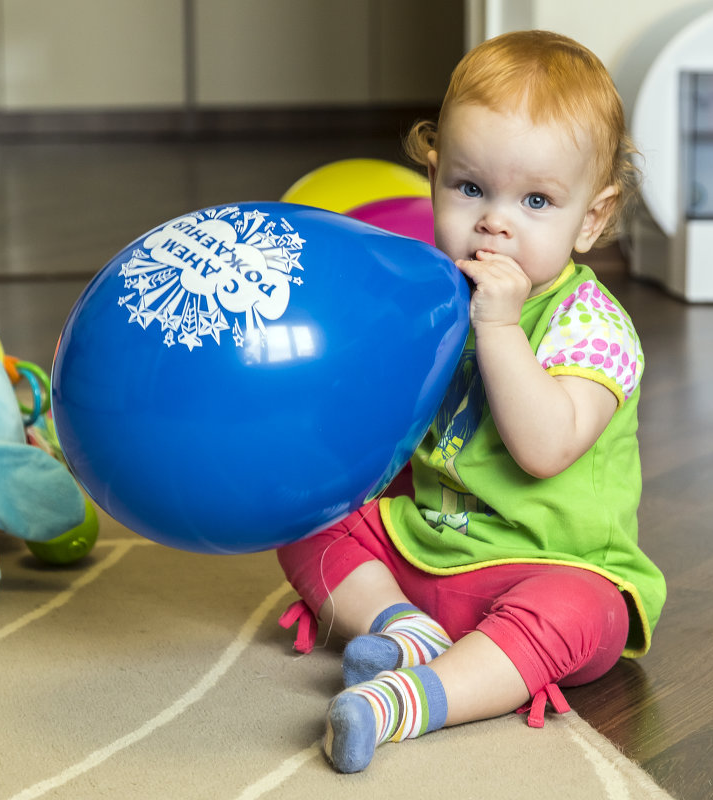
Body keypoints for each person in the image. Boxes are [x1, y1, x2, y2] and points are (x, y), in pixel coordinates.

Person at [277, 29, 667, 774]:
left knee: (591, 616)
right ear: (432, 179)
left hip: (545, 568)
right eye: (469, 188)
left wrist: (497, 328)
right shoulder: (430, 295)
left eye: (537, 200)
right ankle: (400, 628)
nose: (496, 220)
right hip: (423, 547)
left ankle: (411, 699)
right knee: (303, 516)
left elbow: (544, 447)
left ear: (591, 217)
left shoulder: (592, 326)